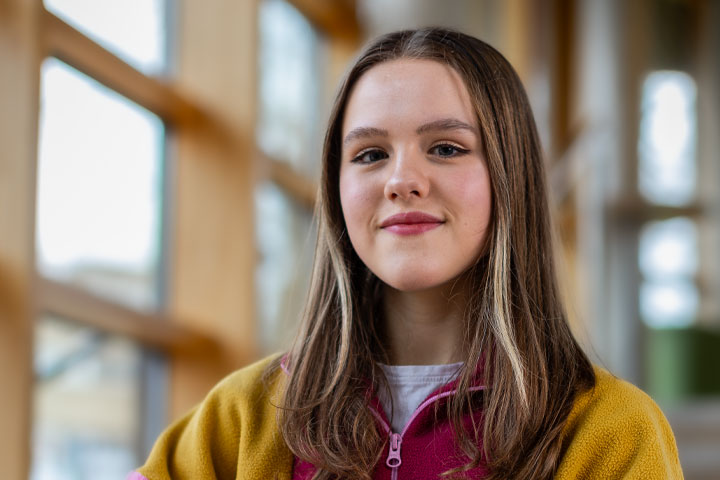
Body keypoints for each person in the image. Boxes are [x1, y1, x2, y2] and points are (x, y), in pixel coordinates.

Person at [129, 28, 683, 480]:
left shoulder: (610, 432)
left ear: (509, 179)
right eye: (370, 154)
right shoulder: (243, 416)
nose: (400, 181)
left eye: (446, 148)